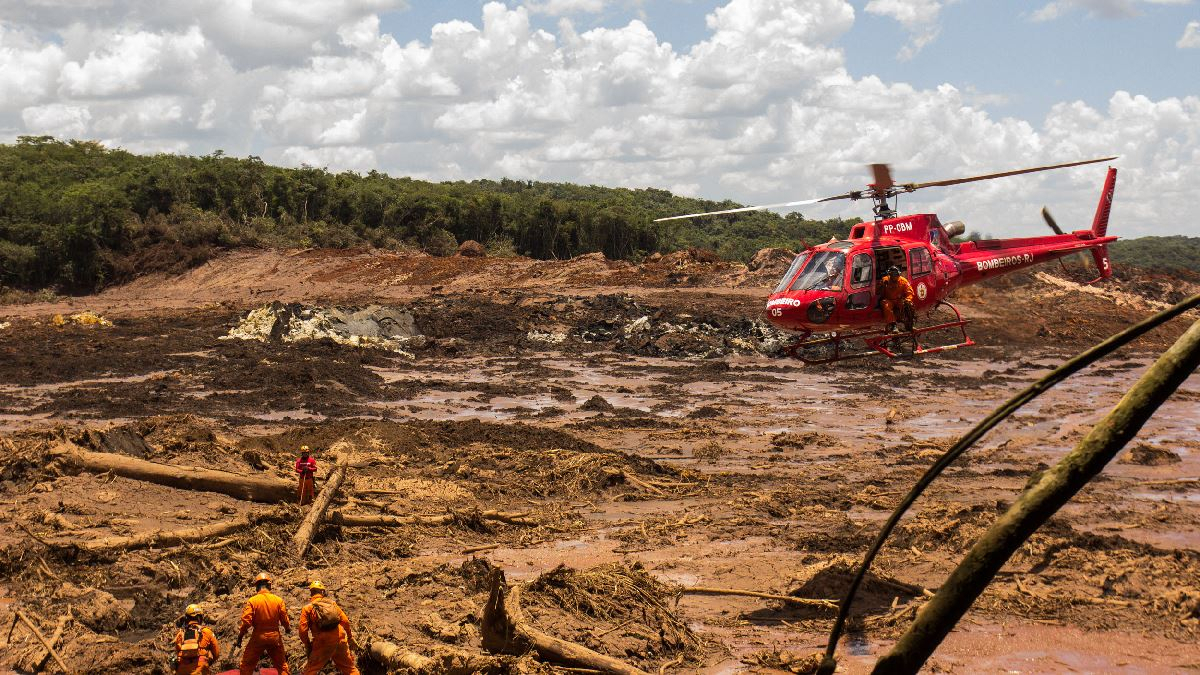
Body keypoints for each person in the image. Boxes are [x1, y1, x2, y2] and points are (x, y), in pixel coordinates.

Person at [299, 581, 360, 675]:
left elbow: (303, 631)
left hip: (322, 642)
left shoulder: (307, 608)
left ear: (311, 593)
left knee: (310, 670)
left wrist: (307, 645)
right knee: (350, 669)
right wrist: (350, 637)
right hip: (340, 639)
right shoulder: (332, 604)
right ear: (323, 592)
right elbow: (345, 621)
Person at [236, 572, 291, 675]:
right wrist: (287, 628)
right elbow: (284, 618)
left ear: (257, 586)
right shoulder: (278, 600)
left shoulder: (253, 601)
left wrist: (240, 636)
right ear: (269, 585)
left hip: (258, 637)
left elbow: (246, 622)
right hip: (275, 637)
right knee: (282, 665)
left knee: (246, 665)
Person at [173, 604, 219, 675]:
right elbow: (216, 653)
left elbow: (177, 652)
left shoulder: (180, 634)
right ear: (199, 618)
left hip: (182, 670)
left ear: (187, 618)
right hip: (200, 669)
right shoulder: (207, 632)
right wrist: (209, 662)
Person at [879, 265, 915, 333]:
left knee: (908, 304)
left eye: (896, 275)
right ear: (890, 275)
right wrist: (882, 286)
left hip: (899, 300)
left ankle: (909, 324)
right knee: (886, 305)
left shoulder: (903, 281)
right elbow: (878, 292)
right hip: (888, 300)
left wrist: (908, 300)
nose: (894, 277)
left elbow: (910, 293)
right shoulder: (885, 280)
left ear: (899, 274)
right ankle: (893, 325)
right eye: (893, 275)